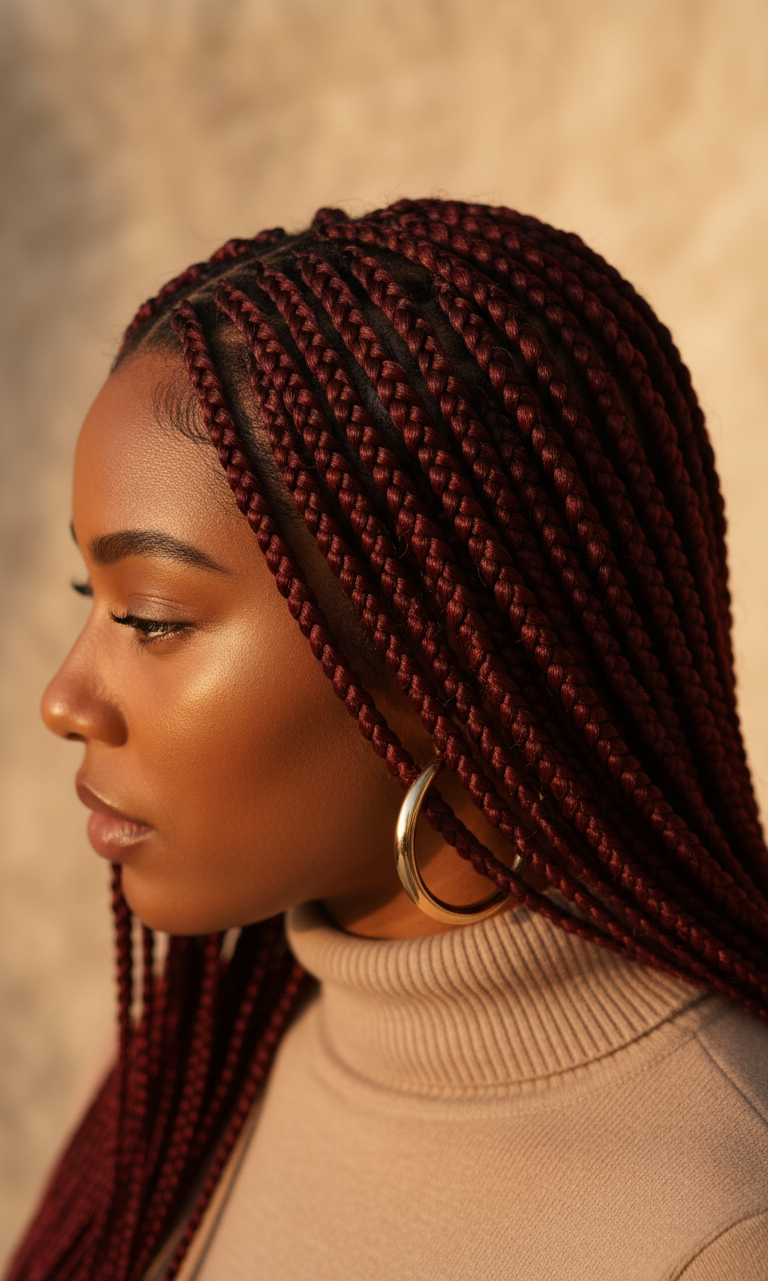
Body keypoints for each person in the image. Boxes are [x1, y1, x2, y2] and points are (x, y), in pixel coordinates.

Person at [7, 198, 768, 1281]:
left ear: (447, 654)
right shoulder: (202, 1058)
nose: (65, 699)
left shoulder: (722, 1227)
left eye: (152, 618)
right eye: (91, 593)